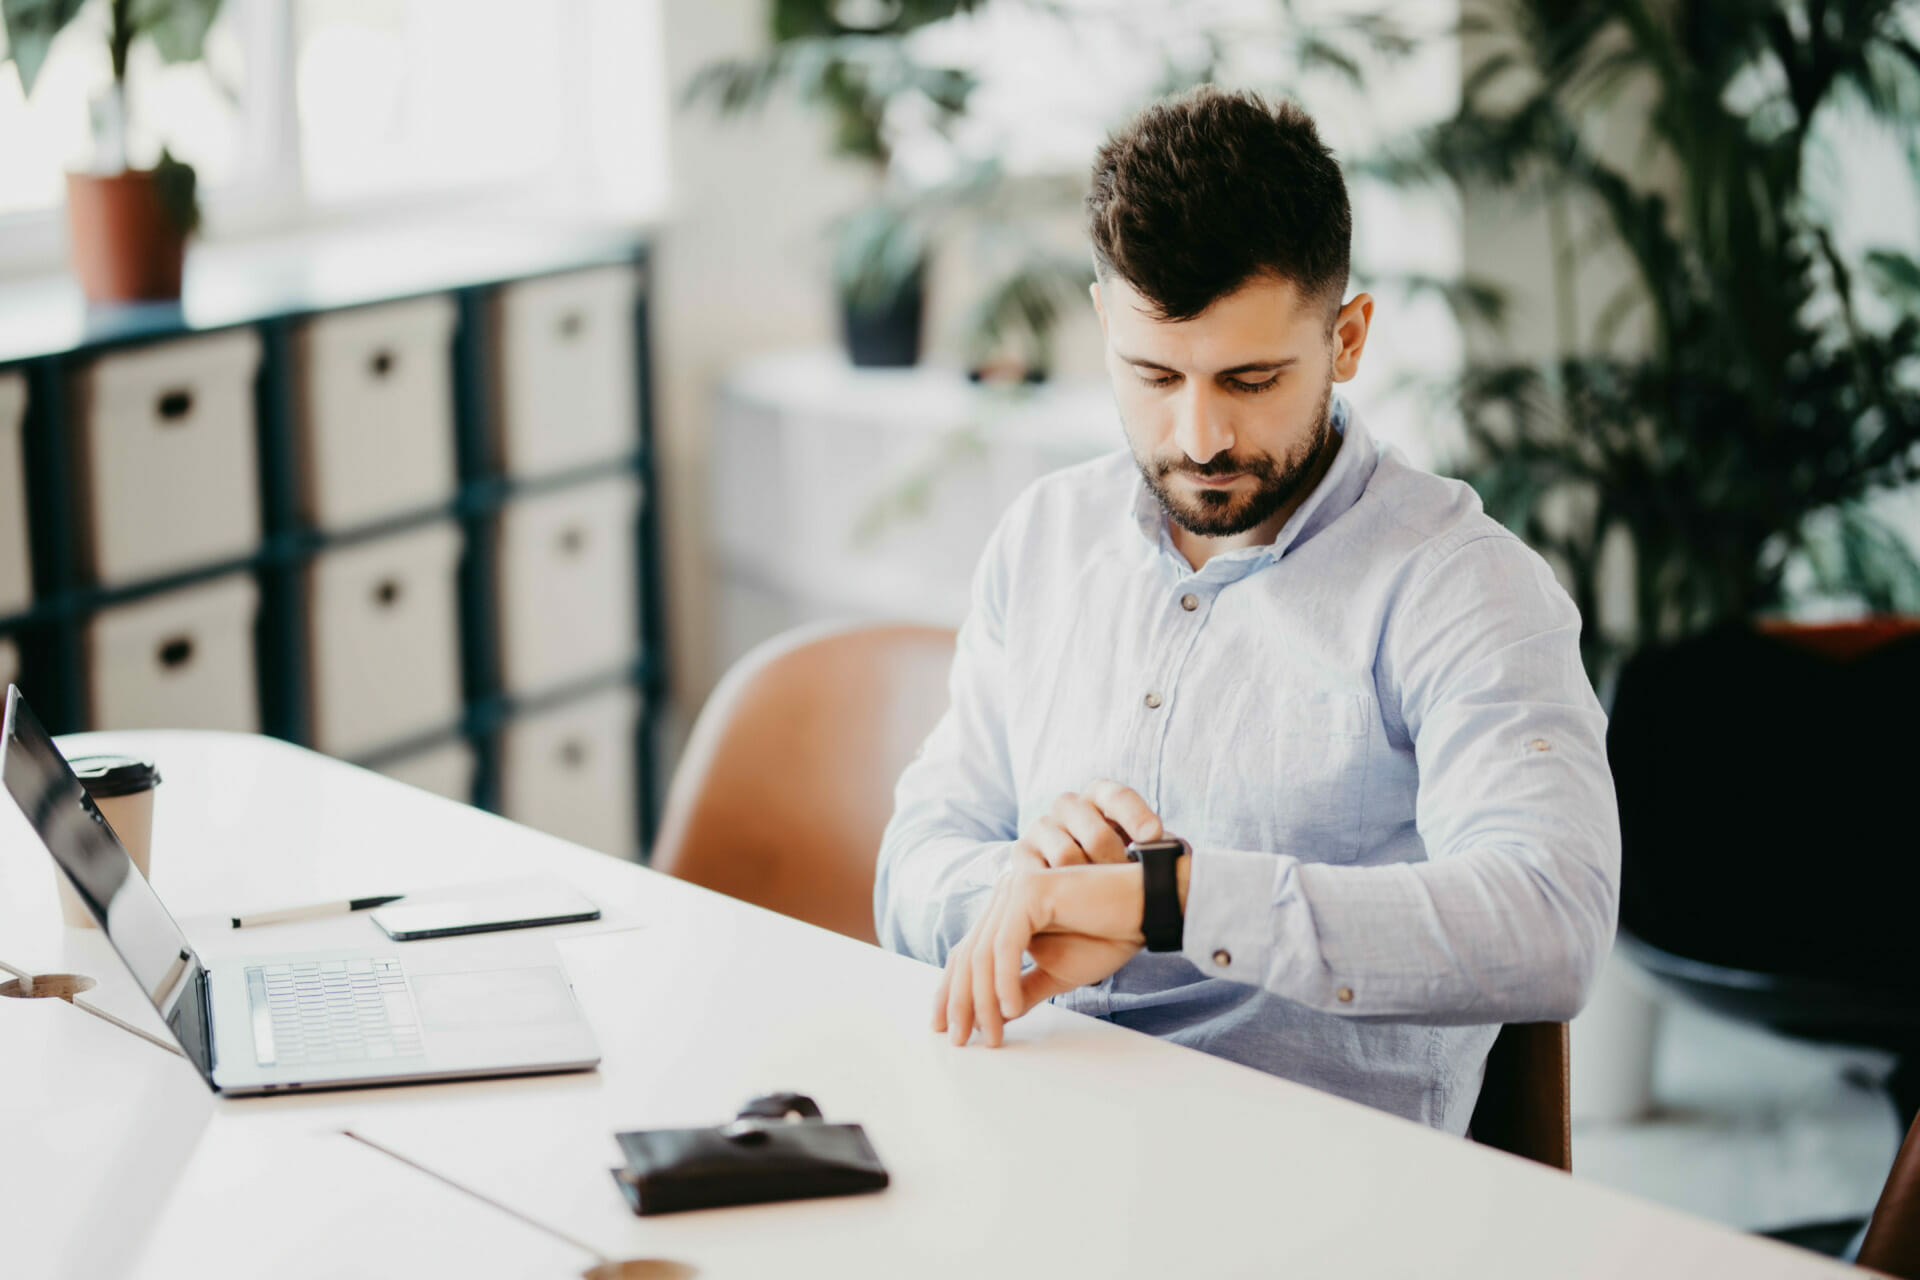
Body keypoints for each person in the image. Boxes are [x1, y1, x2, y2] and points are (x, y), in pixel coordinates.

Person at [872, 86, 1621, 1135]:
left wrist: (1170, 901)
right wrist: (1030, 887)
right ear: (1101, 323)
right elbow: (912, 862)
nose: (1202, 434)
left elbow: (1553, 918)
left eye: (1252, 378)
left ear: (1347, 337)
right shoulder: (1044, 535)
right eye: (1152, 373)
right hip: (1023, 1127)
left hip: (1309, 1188)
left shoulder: (1461, 585)